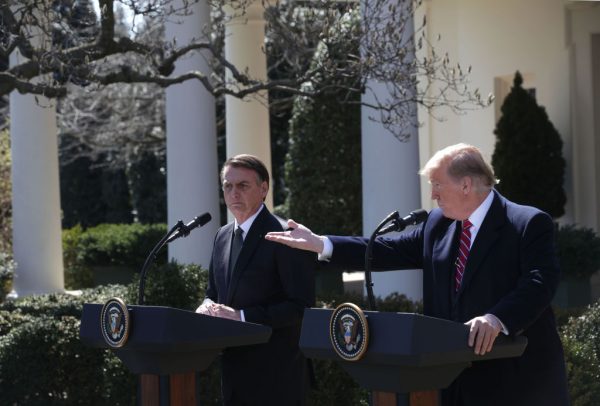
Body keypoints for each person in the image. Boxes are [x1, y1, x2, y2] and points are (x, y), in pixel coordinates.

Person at [265, 143, 568, 406]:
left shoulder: (526, 223)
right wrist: (321, 244)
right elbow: (384, 249)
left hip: (516, 380)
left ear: (466, 185)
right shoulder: (440, 224)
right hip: (452, 376)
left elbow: (540, 282)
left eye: (437, 184)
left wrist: (496, 318)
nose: (433, 194)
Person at [196, 154, 315, 406]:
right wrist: (206, 305)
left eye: (242, 186)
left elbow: (300, 306)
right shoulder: (222, 236)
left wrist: (241, 317)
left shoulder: (286, 236)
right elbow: (213, 292)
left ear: (263, 189)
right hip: (233, 370)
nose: (233, 193)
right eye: (228, 186)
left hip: (277, 375)